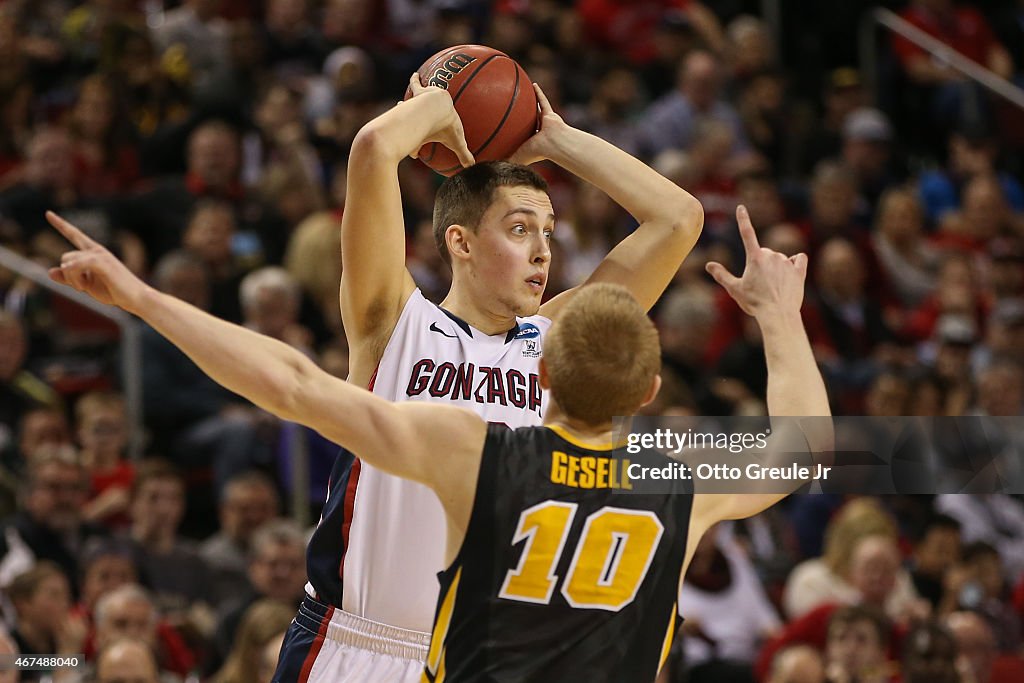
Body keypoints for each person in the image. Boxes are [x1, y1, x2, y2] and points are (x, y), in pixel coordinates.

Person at [44, 204, 829, 681]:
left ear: (541, 375)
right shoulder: (684, 480)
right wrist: (779, 316)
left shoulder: (482, 454)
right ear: (651, 392)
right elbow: (804, 446)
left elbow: (293, 384)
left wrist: (143, 297)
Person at [295, 72, 705, 679]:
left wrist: (557, 139)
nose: (543, 251)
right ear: (459, 242)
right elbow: (374, 149)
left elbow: (678, 218)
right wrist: (429, 107)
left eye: (547, 232)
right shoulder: (393, 321)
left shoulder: (562, 343)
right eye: (519, 230)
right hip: (355, 644)